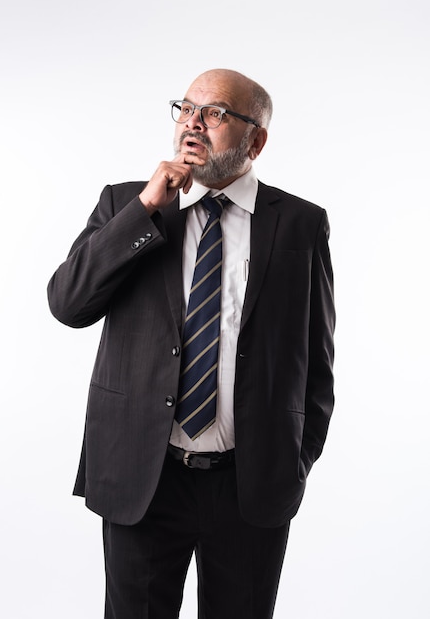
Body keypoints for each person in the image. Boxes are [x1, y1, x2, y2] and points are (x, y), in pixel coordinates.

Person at [47, 68, 335, 619]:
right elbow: (68, 304)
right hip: (144, 480)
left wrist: (294, 462)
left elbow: (316, 361)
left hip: (249, 484)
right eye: (185, 108)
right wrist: (147, 208)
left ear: (256, 139)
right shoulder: (124, 206)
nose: (193, 123)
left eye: (215, 113)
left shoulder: (299, 224)